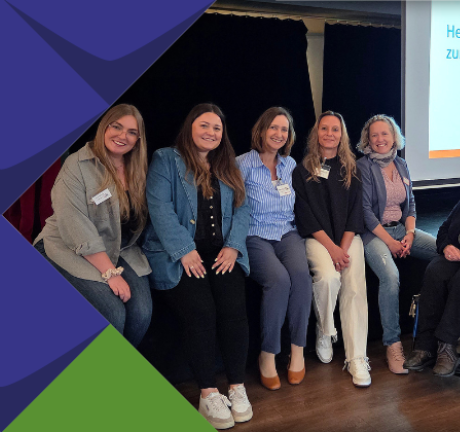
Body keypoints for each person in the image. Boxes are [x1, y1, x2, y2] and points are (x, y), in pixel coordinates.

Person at [144, 103, 251, 429]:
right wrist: (184, 250)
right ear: (190, 127)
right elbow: (159, 207)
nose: (211, 132)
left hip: (221, 253)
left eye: (217, 128)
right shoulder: (166, 159)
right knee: (202, 311)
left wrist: (233, 246)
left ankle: (237, 386)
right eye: (204, 125)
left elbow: (242, 208)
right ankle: (208, 393)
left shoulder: (228, 164)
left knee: (234, 309)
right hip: (177, 254)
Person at [33, 104, 152, 347]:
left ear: (138, 140)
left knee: (141, 313)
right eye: (116, 127)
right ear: (104, 127)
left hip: (119, 248)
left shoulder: (137, 167)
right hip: (68, 245)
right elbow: (73, 223)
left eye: (131, 132)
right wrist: (110, 274)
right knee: (112, 313)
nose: (123, 136)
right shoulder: (77, 164)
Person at [356, 115, 438, 375]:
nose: (380, 139)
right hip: (374, 233)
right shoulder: (364, 166)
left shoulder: (401, 163)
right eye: (374, 135)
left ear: (394, 138)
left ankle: (442, 333)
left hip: (402, 229)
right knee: (391, 276)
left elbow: (410, 206)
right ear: (368, 139)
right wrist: (390, 242)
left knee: (443, 251)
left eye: (385, 134)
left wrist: (410, 234)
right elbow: (365, 213)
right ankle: (392, 343)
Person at [236, 107, 312, 390]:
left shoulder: (290, 165)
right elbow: (232, 208)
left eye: (284, 129)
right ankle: (267, 355)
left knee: (302, 278)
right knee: (279, 281)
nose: (279, 134)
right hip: (255, 234)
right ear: (262, 130)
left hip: (287, 232)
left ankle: (297, 351)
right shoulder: (241, 164)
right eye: (274, 128)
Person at [293, 111, 370, 387]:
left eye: (335, 129)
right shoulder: (301, 170)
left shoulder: (352, 168)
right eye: (324, 128)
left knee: (354, 286)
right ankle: (325, 330)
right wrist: (332, 249)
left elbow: (356, 213)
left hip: (348, 237)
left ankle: (356, 358)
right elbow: (305, 215)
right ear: (316, 133)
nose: (329, 134)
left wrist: (342, 248)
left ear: (342, 135)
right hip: (318, 238)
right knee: (328, 278)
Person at [403, 199, 460, 376]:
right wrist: (447, 246)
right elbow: (443, 230)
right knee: (435, 271)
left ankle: (447, 346)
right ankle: (425, 346)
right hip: (456, 256)